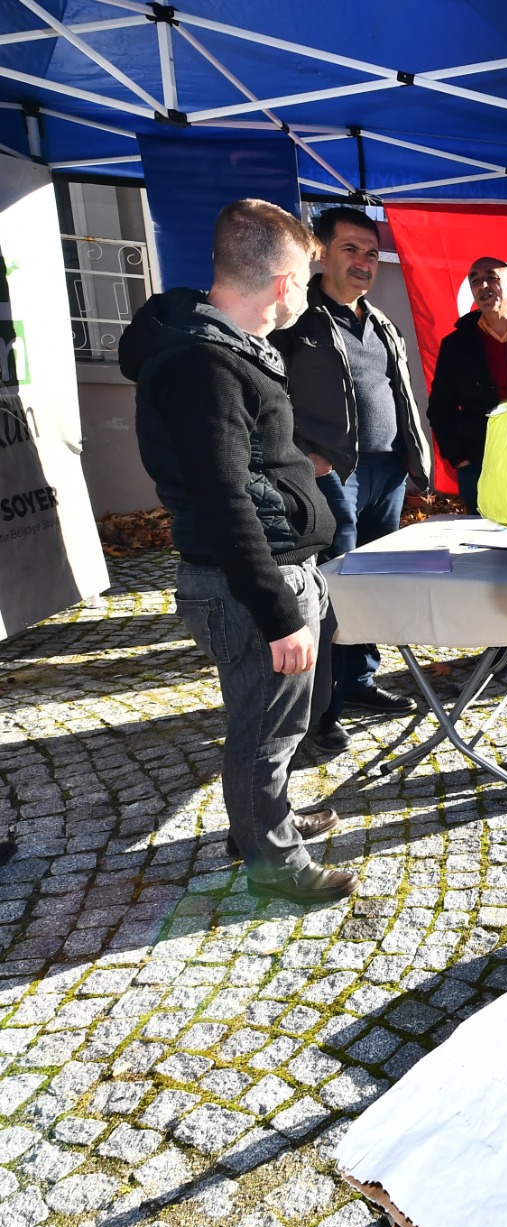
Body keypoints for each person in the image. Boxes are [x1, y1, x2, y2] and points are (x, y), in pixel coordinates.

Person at [120, 199, 356, 904]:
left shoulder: (223, 349)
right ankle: (271, 860)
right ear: (285, 283)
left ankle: (264, 821)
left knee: (272, 724)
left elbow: (246, 466)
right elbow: (223, 499)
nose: (307, 295)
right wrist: (278, 611)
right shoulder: (204, 362)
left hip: (271, 574)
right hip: (250, 586)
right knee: (263, 733)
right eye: (305, 282)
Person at [274, 207, 431, 752]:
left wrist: (415, 458)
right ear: (322, 252)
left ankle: (359, 681)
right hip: (332, 474)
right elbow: (266, 399)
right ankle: (318, 713)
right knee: (330, 590)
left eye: (371, 252)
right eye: (351, 249)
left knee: (369, 584)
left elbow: (401, 396)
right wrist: (303, 457)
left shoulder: (379, 320)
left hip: (386, 472)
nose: (364, 262)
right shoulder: (297, 319)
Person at [428, 256, 507, 511]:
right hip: (478, 465)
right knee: (482, 544)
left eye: (492, 277)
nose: (483, 286)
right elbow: (440, 408)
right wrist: (460, 458)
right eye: (475, 280)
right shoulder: (456, 344)